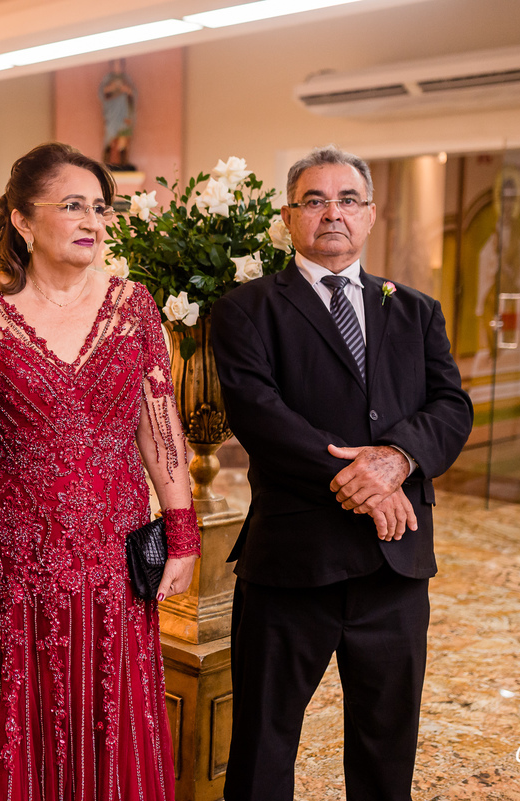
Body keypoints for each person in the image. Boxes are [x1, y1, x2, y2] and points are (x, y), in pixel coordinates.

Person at [0, 142, 201, 800]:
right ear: (22, 219)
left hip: (112, 556)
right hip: (8, 560)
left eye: (100, 208)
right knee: (15, 710)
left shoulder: (134, 307)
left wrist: (183, 527)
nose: (93, 221)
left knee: (111, 710)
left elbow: (159, 426)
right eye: (72, 205)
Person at [211, 145, 473, 801]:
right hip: (292, 566)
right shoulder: (247, 309)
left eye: (348, 199)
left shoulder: (415, 309)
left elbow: (451, 406)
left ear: (371, 214)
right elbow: (260, 414)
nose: (334, 213)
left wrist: (395, 459)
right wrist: (361, 478)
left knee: (388, 752)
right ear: (289, 216)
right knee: (263, 750)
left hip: (396, 568)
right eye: (315, 200)